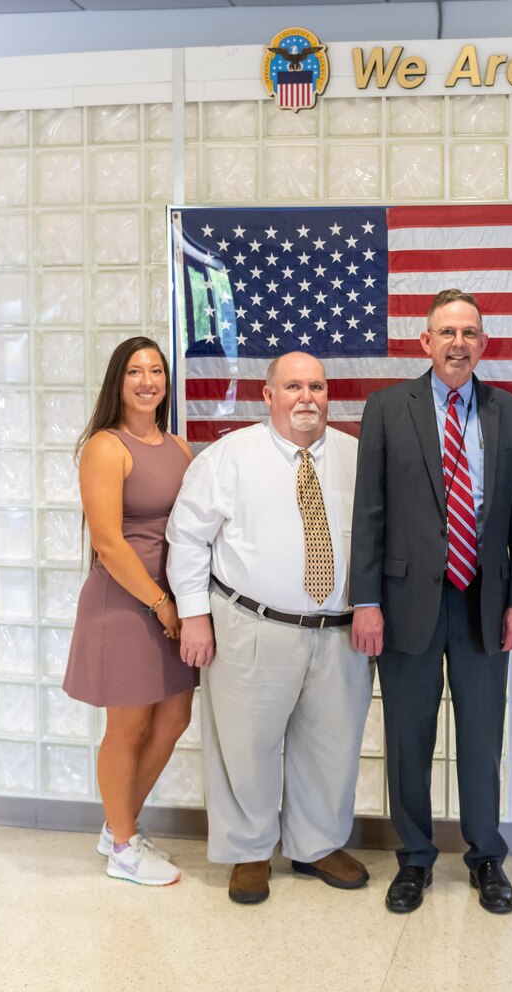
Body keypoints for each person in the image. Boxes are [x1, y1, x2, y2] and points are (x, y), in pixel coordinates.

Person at [350, 288, 512, 916]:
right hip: (404, 601)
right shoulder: (385, 408)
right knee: (409, 735)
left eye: (470, 333)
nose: (459, 343)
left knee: (482, 737)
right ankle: (414, 859)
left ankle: (486, 856)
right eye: (447, 332)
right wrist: (366, 600)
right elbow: (368, 513)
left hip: (485, 599)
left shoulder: (511, 412)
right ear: (424, 341)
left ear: (483, 344)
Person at [166, 353, 372, 906]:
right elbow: (187, 538)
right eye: (293, 386)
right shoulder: (229, 457)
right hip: (252, 625)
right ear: (268, 394)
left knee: (332, 746)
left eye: (317, 386)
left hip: (340, 632)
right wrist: (193, 615)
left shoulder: (358, 457)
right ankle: (249, 852)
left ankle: (317, 844)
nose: (307, 397)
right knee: (246, 745)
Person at [62, 336, 195, 887]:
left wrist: (184, 602)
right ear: (118, 381)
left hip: (173, 601)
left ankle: (119, 825)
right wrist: (161, 604)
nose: (148, 381)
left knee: (174, 717)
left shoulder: (181, 447)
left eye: (156, 371)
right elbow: (109, 544)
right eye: (136, 371)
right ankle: (123, 845)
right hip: (126, 601)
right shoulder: (105, 446)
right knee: (129, 724)